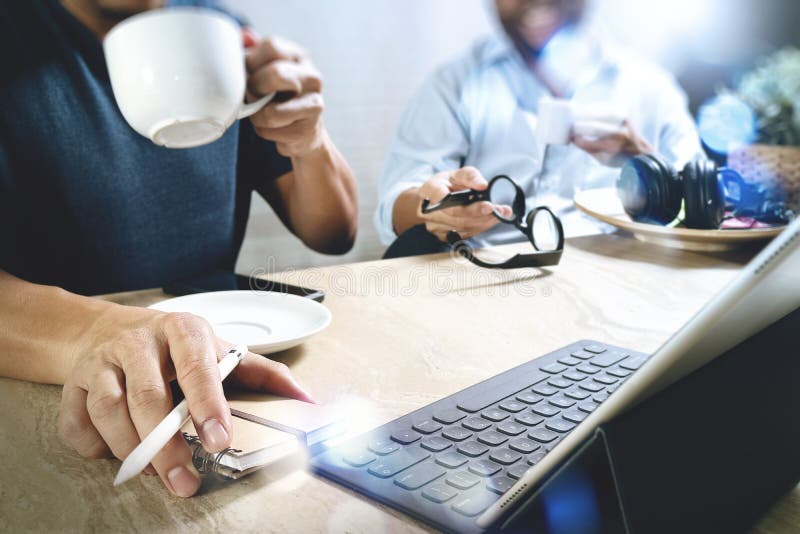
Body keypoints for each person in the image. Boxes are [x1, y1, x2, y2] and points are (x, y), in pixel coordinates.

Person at [0, 0, 357, 497]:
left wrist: (309, 140)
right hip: (58, 398)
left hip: (226, 365)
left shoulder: (223, 35)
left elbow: (332, 231)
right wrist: (93, 330)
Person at [375, 0, 704, 258]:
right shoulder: (455, 83)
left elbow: (708, 212)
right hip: (483, 280)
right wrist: (432, 209)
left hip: (617, 284)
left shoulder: (650, 88)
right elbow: (392, 208)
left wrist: (648, 163)